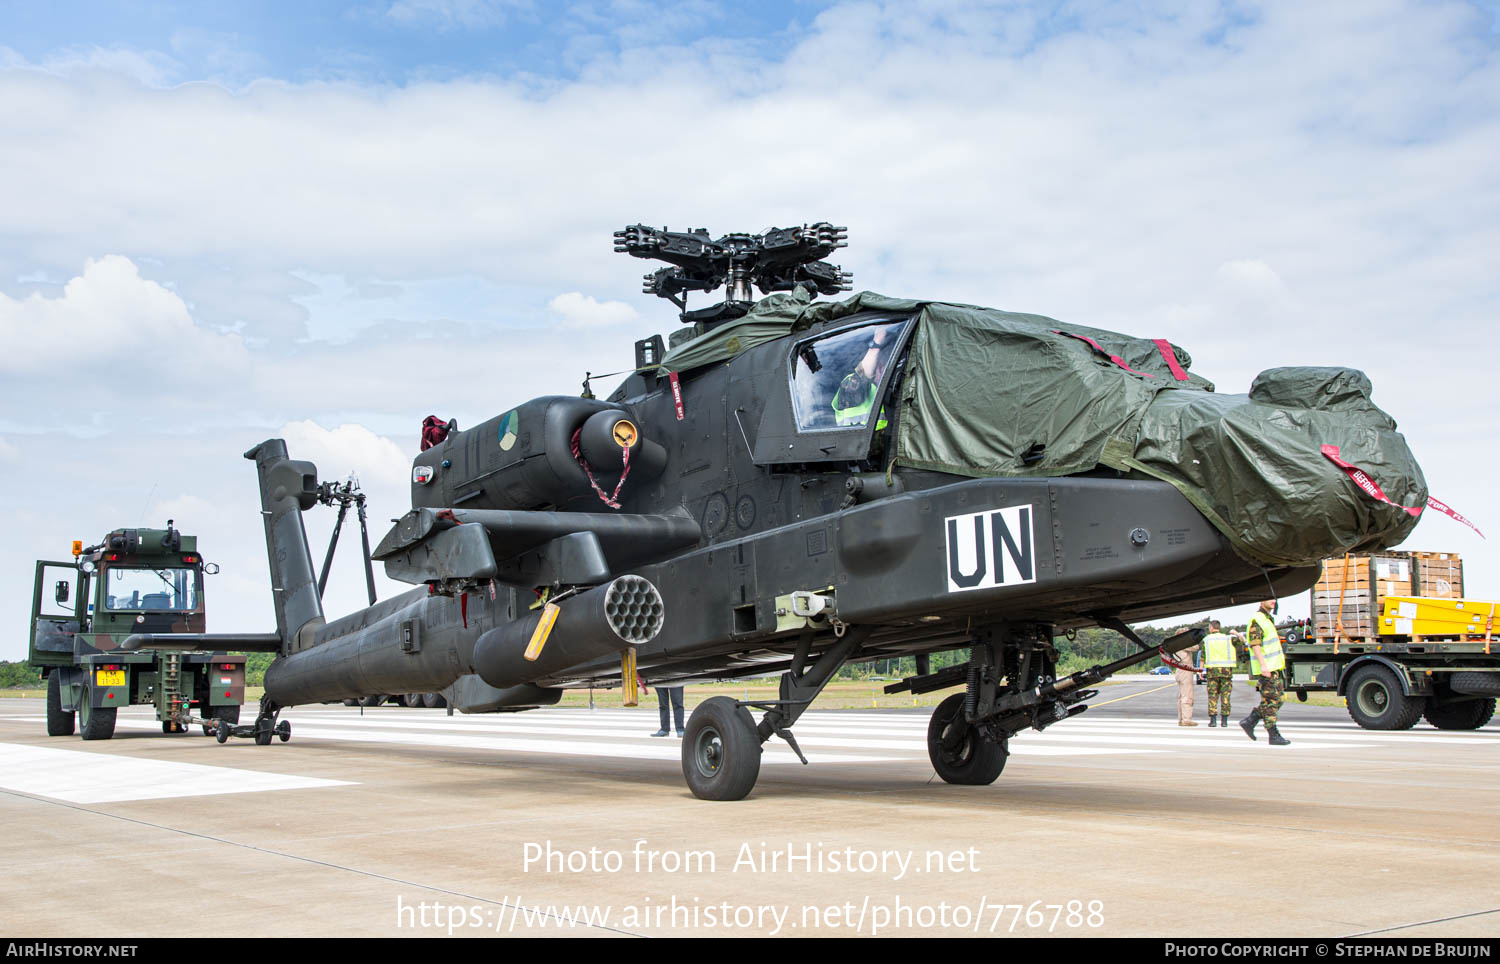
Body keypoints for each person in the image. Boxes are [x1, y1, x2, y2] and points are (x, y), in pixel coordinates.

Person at [1239, 599, 1290, 745]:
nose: (1273, 601)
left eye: (1274, 599)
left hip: (1274, 667)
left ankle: (1250, 720)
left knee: (1278, 699)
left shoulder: (1267, 619)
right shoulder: (1257, 620)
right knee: (1271, 702)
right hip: (1267, 668)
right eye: (1269, 599)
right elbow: (1255, 645)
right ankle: (1273, 735)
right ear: (1261, 601)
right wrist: (1263, 666)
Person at [830, 327, 893, 428]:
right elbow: (863, 373)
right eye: (880, 367)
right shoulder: (851, 387)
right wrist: (877, 342)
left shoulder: (883, 393)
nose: (882, 371)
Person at [1201, 619, 1239, 727]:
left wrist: (1200, 670)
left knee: (1213, 696)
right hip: (1226, 672)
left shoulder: (1206, 639)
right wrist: (1235, 633)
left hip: (1212, 672)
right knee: (1225, 696)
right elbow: (1243, 640)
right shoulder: (1228, 638)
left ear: (1211, 628)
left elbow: (1203, 657)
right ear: (1219, 627)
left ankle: (1213, 721)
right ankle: (1224, 721)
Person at [1173, 635, 1200, 726]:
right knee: (1187, 695)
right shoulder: (1183, 643)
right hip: (1185, 671)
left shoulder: (1175, 644)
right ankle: (1187, 719)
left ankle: (1181, 719)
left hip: (1179, 670)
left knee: (1182, 696)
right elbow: (1196, 647)